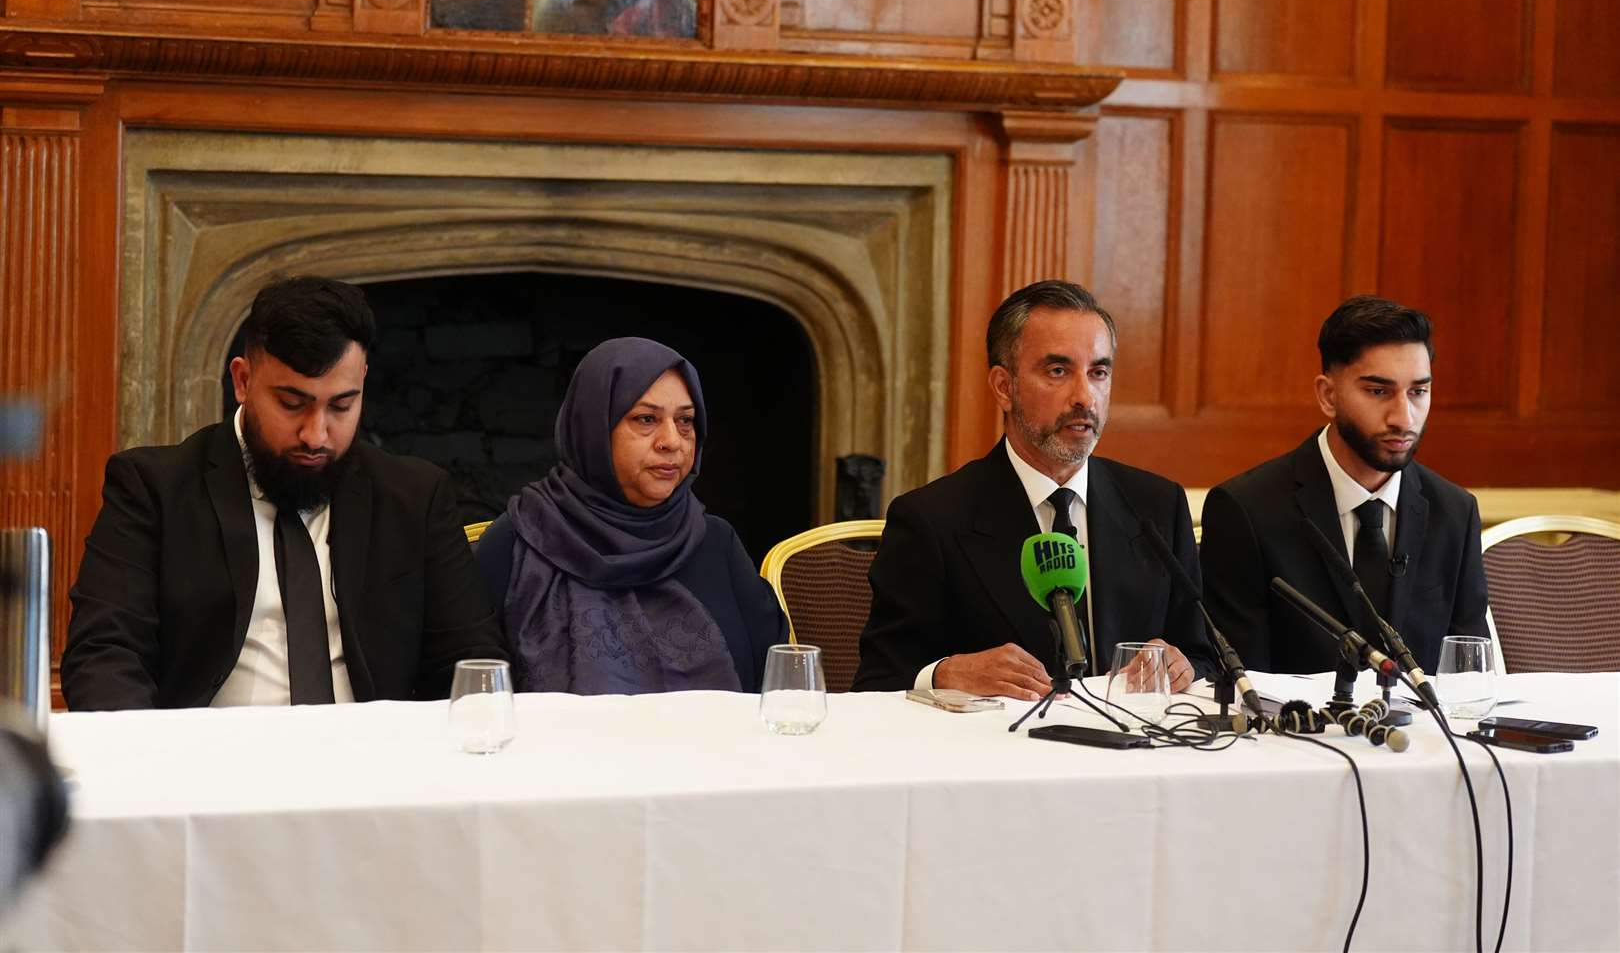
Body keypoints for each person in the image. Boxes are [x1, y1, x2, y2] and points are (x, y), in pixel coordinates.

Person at [60, 277, 508, 710]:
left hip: (373, 770)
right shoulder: (154, 488)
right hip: (205, 769)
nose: (316, 435)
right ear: (242, 381)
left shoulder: (414, 497)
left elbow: (471, 664)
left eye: (341, 406)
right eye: (292, 404)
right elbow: (105, 654)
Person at [853, 281, 1215, 699]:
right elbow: (877, 682)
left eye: (1098, 372)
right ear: (1004, 387)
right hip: (999, 755)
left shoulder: (1157, 506)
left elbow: (1202, 655)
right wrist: (947, 673)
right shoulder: (932, 519)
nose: (1084, 397)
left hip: (1131, 754)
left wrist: (1182, 665)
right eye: (1058, 371)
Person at [475, 337, 786, 694]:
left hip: (709, 748)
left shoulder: (716, 543)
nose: (672, 440)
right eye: (646, 419)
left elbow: (777, 683)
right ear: (592, 428)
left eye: (685, 421)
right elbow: (471, 691)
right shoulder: (518, 541)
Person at [1199, 296, 1489, 674]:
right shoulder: (1246, 510)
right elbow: (1242, 681)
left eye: (1418, 392)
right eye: (1378, 391)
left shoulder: (1455, 511)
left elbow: (1470, 675)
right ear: (1328, 395)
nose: (1404, 417)